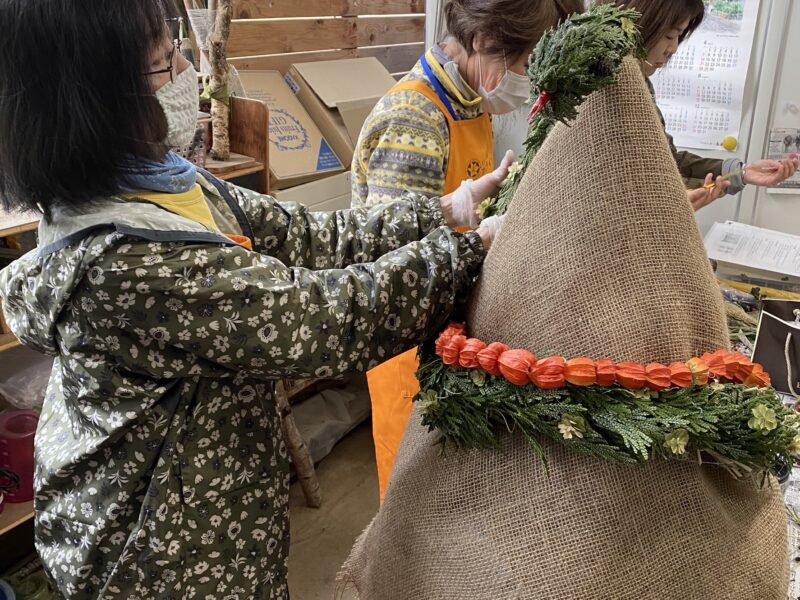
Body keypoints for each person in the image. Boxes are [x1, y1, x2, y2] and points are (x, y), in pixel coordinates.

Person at [0, 1, 508, 598]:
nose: (189, 69)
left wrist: (447, 209)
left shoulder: (164, 180)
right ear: (93, 98)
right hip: (159, 550)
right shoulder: (123, 259)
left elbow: (307, 236)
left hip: (216, 504)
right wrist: (467, 249)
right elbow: (321, 320)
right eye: (165, 63)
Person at [352, 0, 584, 502]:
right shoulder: (416, 119)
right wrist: (483, 236)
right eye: (522, 62)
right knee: (408, 498)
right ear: (482, 40)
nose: (523, 78)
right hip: (406, 342)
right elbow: (398, 264)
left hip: (444, 326)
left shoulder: (466, 105)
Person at [600, 0, 797, 211]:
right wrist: (662, 205)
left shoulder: (639, 85)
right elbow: (607, 188)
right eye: (669, 35)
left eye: (679, 36)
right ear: (640, 25)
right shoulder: (597, 90)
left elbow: (667, 160)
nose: (673, 48)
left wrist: (742, 173)